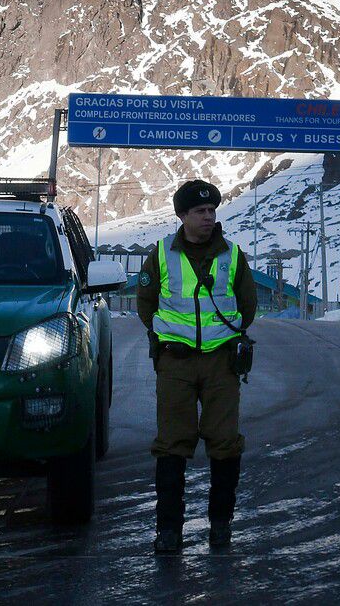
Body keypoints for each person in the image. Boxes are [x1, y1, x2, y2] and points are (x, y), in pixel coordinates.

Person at [136, 179, 258, 553]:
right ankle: (169, 531)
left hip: (222, 363)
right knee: (172, 444)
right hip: (175, 363)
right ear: (182, 216)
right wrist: (169, 335)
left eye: (211, 211)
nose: (208, 217)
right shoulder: (160, 255)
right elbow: (146, 303)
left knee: (224, 443)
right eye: (200, 212)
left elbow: (248, 306)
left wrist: (225, 337)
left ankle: (221, 526)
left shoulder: (233, 255)